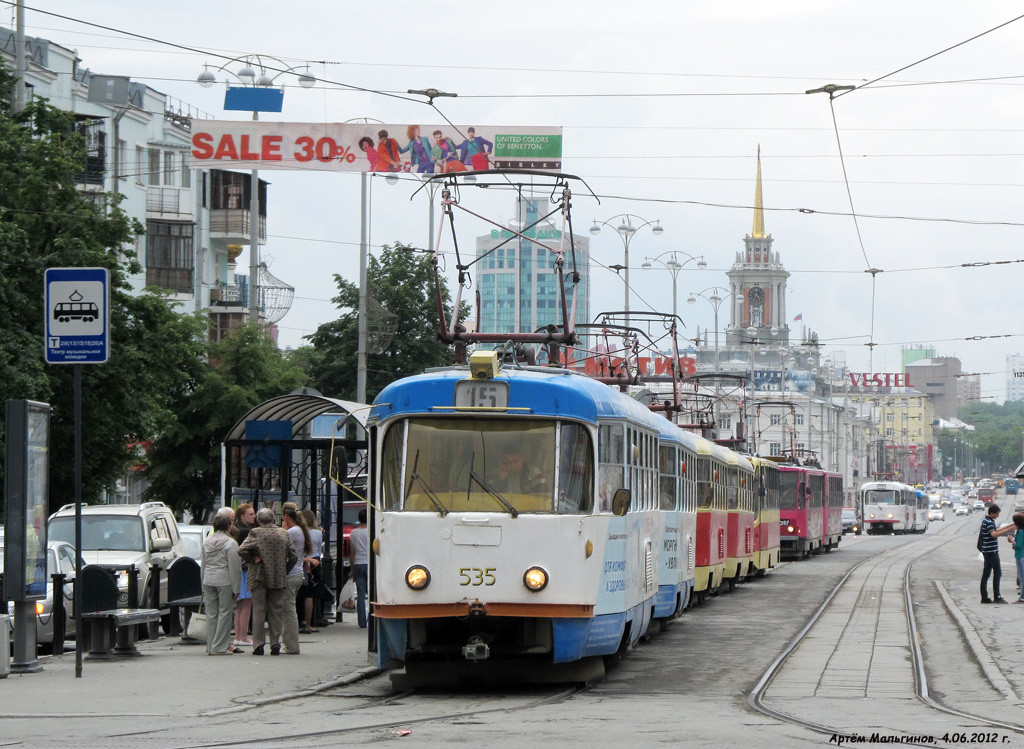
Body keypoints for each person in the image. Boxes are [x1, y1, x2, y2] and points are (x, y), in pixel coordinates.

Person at [238, 508, 297, 656]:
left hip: (258, 575)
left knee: (259, 610)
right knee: (276, 611)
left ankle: (258, 645)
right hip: (278, 576)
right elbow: (293, 556)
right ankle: (275, 644)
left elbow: (242, 550)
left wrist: (252, 559)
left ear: (259, 520)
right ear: (273, 519)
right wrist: (285, 570)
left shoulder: (255, 533)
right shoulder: (283, 533)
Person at [201, 515, 242, 655]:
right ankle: (219, 646)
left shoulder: (206, 542)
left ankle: (210, 645)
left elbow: (203, 565)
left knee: (211, 614)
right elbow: (234, 568)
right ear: (229, 526)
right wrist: (236, 588)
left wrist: (202, 585)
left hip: (208, 579)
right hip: (224, 580)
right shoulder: (231, 543)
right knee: (225, 613)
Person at [281, 505, 314, 654]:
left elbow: (280, 543)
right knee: (289, 608)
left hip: (290, 574)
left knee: (288, 610)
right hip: (298, 573)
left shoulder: (292, 531)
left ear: (285, 516)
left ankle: (291, 645)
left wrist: (283, 529)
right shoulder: (300, 530)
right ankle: (289, 644)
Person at [979, 503, 1015, 604]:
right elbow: (994, 534)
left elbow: (995, 530)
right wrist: (1007, 530)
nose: (998, 515)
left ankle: (984, 597)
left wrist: (1009, 527)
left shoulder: (987, 521)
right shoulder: (989, 522)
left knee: (986, 574)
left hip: (987, 551)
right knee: (997, 572)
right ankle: (997, 596)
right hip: (991, 551)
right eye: (997, 514)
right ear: (992, 513)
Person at [232, 503, 256, 647]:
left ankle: (238, 636)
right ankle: (243, 636)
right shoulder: (246, 532)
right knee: (247, 602)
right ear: (242, 516)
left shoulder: (236, 529)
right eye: (250, 514)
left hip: (237, 570)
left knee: (240, 604)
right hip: (245, 570)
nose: (254, 516)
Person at [298, 509, 323, 633]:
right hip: (315, 562)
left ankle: (300, 621)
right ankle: (309, 623)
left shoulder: (299, 532)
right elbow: (319, 549)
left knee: (300, 595)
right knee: (310, 595)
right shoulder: (318, 533)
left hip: (302, 563)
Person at [348, 509, 369, 628]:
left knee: (360, 595)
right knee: (372, 594)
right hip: (370, 564)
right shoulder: (372, 531)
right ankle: (372, 618)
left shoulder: (354, 533)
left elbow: (352, 553)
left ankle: (362, 622)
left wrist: (351, 569)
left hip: (358, 564)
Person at [1012, 513, 1024, 603]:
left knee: (1022, 577)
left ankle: (1022, 597)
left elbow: (1019, 545)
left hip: (1020, 556)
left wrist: (1012, 541)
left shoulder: (1020, 532)